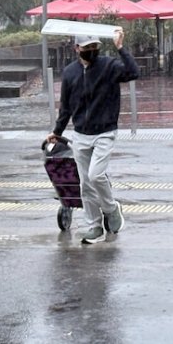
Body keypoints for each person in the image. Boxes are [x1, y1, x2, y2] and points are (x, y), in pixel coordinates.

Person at [47, 29, 140, 244]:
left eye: (94, 47)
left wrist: (120, 48)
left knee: (96, 175)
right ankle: (94, 226)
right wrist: (57, 132)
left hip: (105, 132)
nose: (91, 51)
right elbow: (66, 108)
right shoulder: (70, 73)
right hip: (80, 134)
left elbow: (133, 72)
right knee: (85, 184)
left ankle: (111, 208)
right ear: (77, 49)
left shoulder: (108, 66)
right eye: (87, 48)